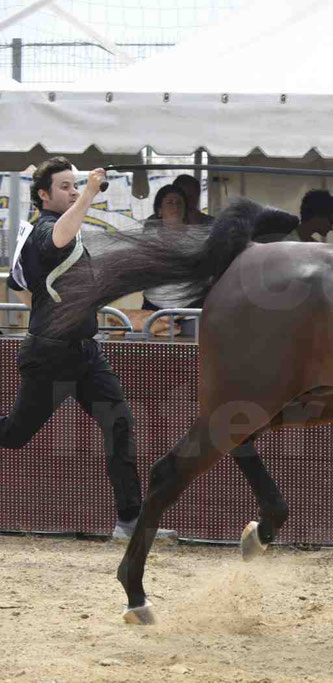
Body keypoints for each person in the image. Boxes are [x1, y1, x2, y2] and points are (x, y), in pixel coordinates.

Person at [2, 157, 174, 541]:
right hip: (50, 356)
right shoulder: (45, 230)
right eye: (64, 187)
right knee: (14, 435)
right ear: (44, 195)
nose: (73, 191)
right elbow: (58, 238)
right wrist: (91, 195)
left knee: (120, 424)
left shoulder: (63, 228)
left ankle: (130, 522)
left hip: (85, 352)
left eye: (74, 185)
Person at [142, 184, 204, 337]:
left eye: (179, 203)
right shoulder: (148, 239)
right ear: (159, 211)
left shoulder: (199, 238)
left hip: (191, 311)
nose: (175, 206)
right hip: (154, 310)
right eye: (170, 202)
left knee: (193, 354)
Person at [252, 189, 333, 243]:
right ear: (317, 217)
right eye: (330, 222)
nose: (331, 228)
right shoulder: (283, 243)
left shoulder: (314, 246)